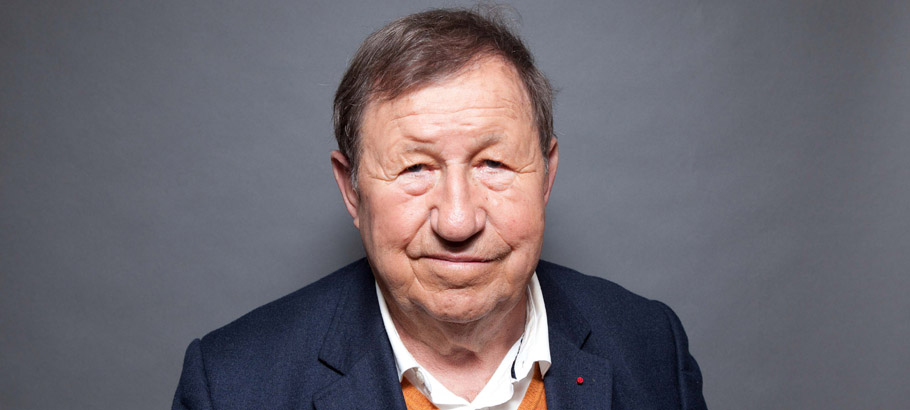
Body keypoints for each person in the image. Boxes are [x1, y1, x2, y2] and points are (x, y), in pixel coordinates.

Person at [173, 7, 706, 410]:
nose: (457, 221)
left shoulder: (650, 345)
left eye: (493, 163)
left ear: (546, 176)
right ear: (352, 190)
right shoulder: (231, 385)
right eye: (415, 168)